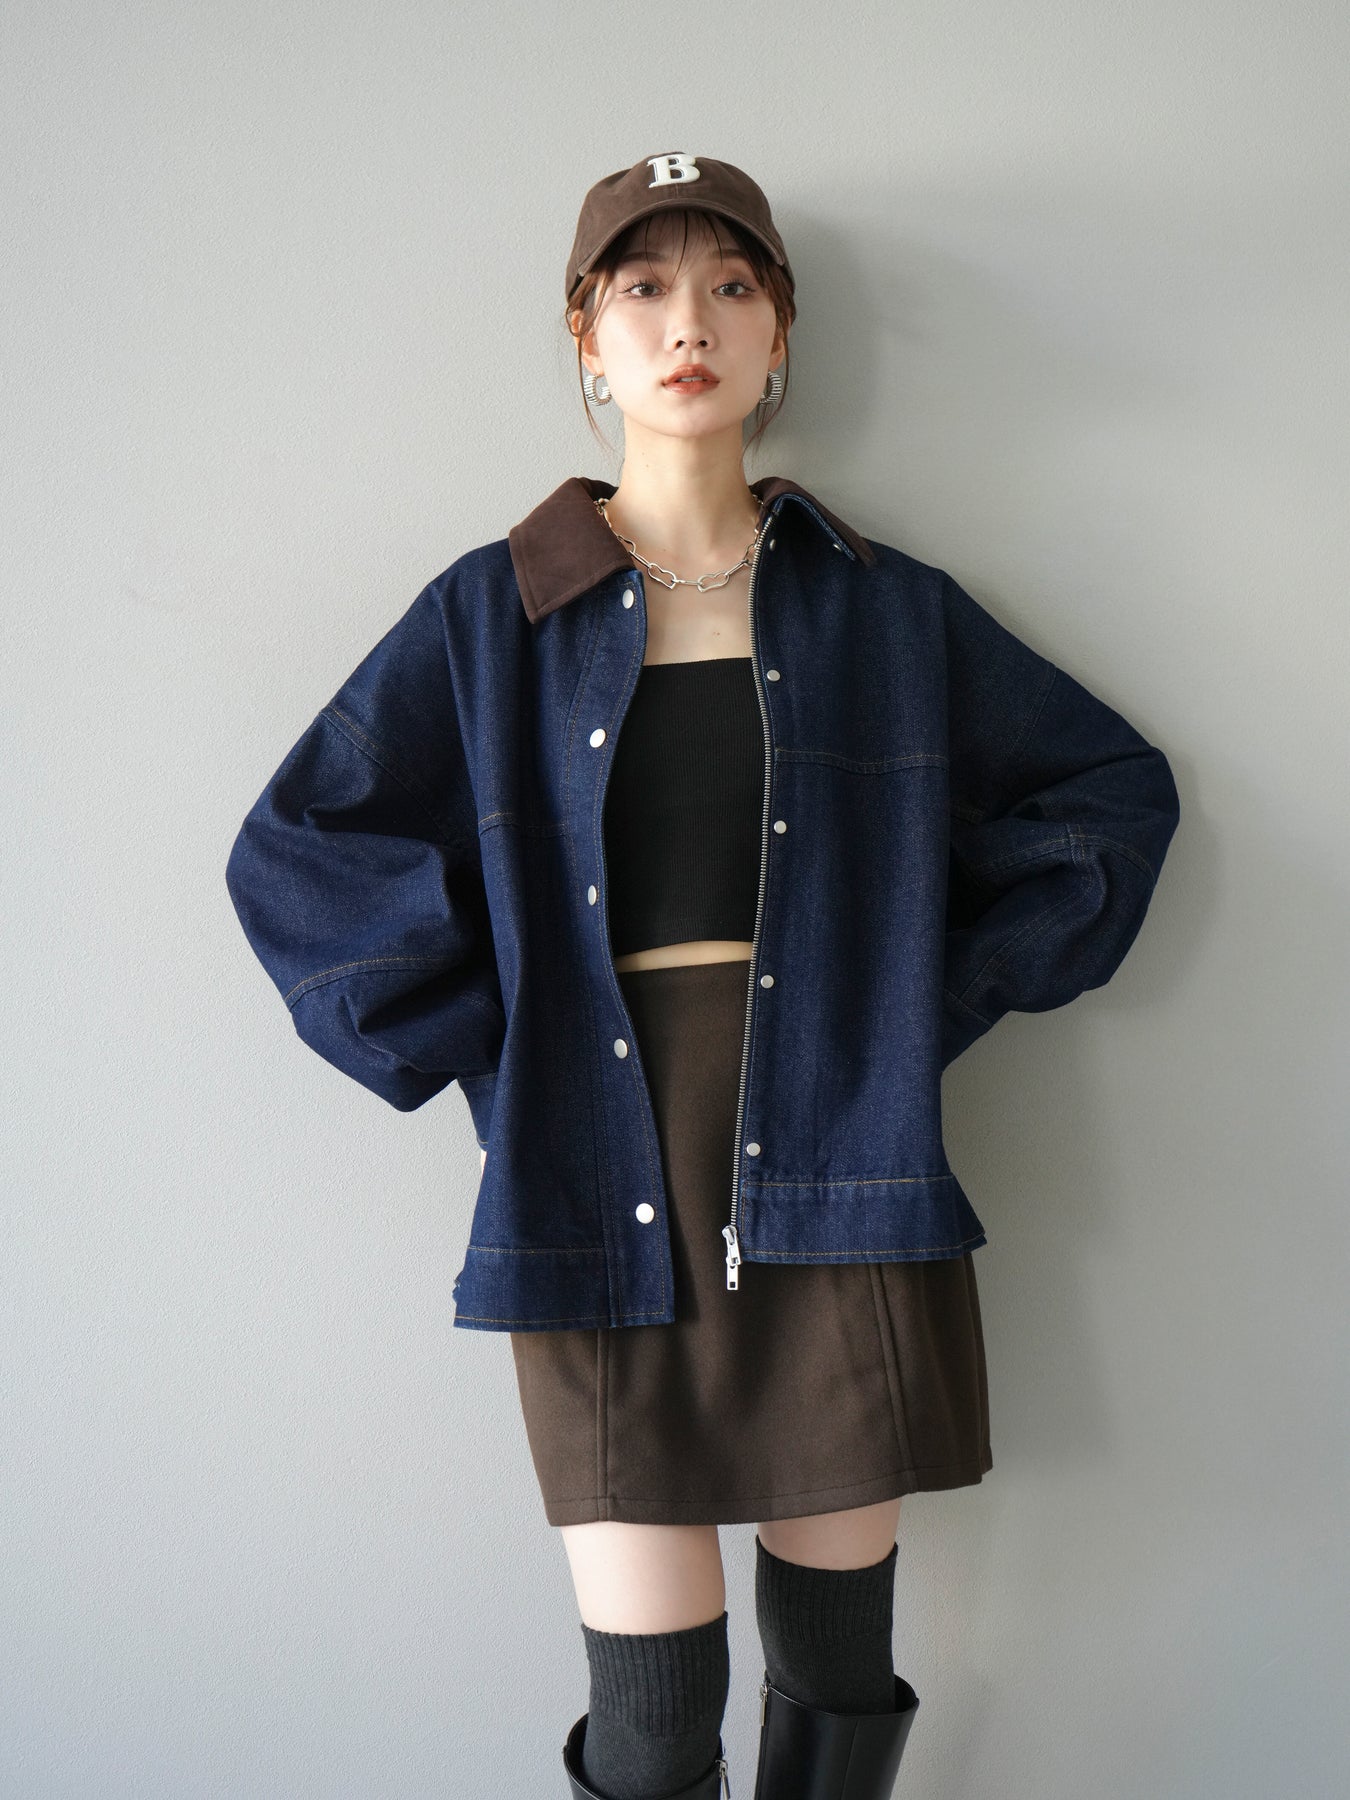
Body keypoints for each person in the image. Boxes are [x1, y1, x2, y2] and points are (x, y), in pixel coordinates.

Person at [225, 153, 1181, 1799]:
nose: (690, 325)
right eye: (645, 290)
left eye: (732, 288)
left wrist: (917, 1006)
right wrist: (485, 1049)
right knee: (657, 1708)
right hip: (590, 1174)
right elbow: (296, 849)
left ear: (779, 335)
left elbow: (1105, 798)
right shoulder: (491, 617)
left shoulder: (880, 610)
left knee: (835, 1668)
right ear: (587, 340)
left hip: (840, 1157)